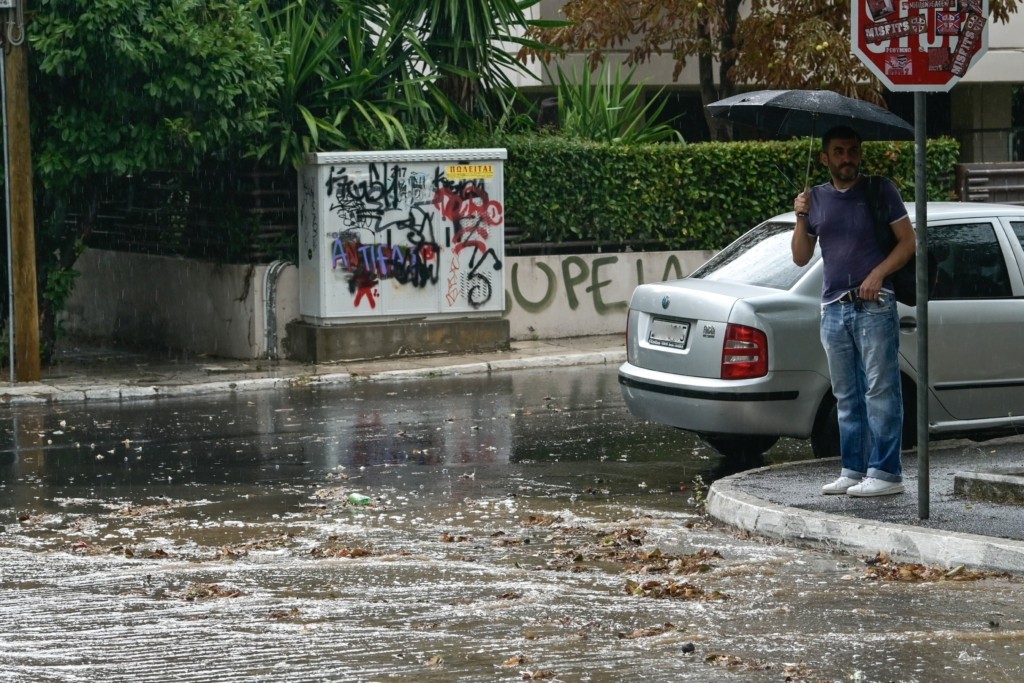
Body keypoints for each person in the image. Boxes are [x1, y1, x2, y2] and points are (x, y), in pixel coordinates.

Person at [791, 125, 916, 497]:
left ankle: (887, 473)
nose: (848, 158)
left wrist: (878, 273)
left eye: (853, 150)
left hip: (875, 305)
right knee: (846, 394)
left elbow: (908, 242)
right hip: (833, 307)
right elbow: (800, 258)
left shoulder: (880, 190)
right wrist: (800, 215)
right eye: (840, 151)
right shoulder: (815, 198)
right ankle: (853, 469)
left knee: (881, 390)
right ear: (824, 158)